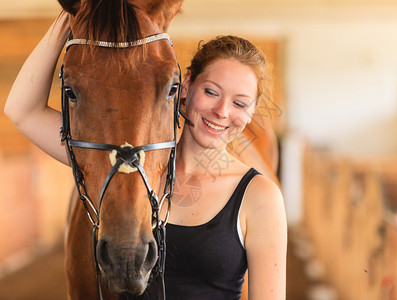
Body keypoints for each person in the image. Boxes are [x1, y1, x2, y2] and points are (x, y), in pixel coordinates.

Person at [4, 14, 287, 300]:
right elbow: (22, 110)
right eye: (211, 92)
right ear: (186, 85)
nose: (222, 111)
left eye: (240, 103)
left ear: (251, 112)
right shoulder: (129, 164)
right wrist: (74, 17)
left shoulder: (261, 197)